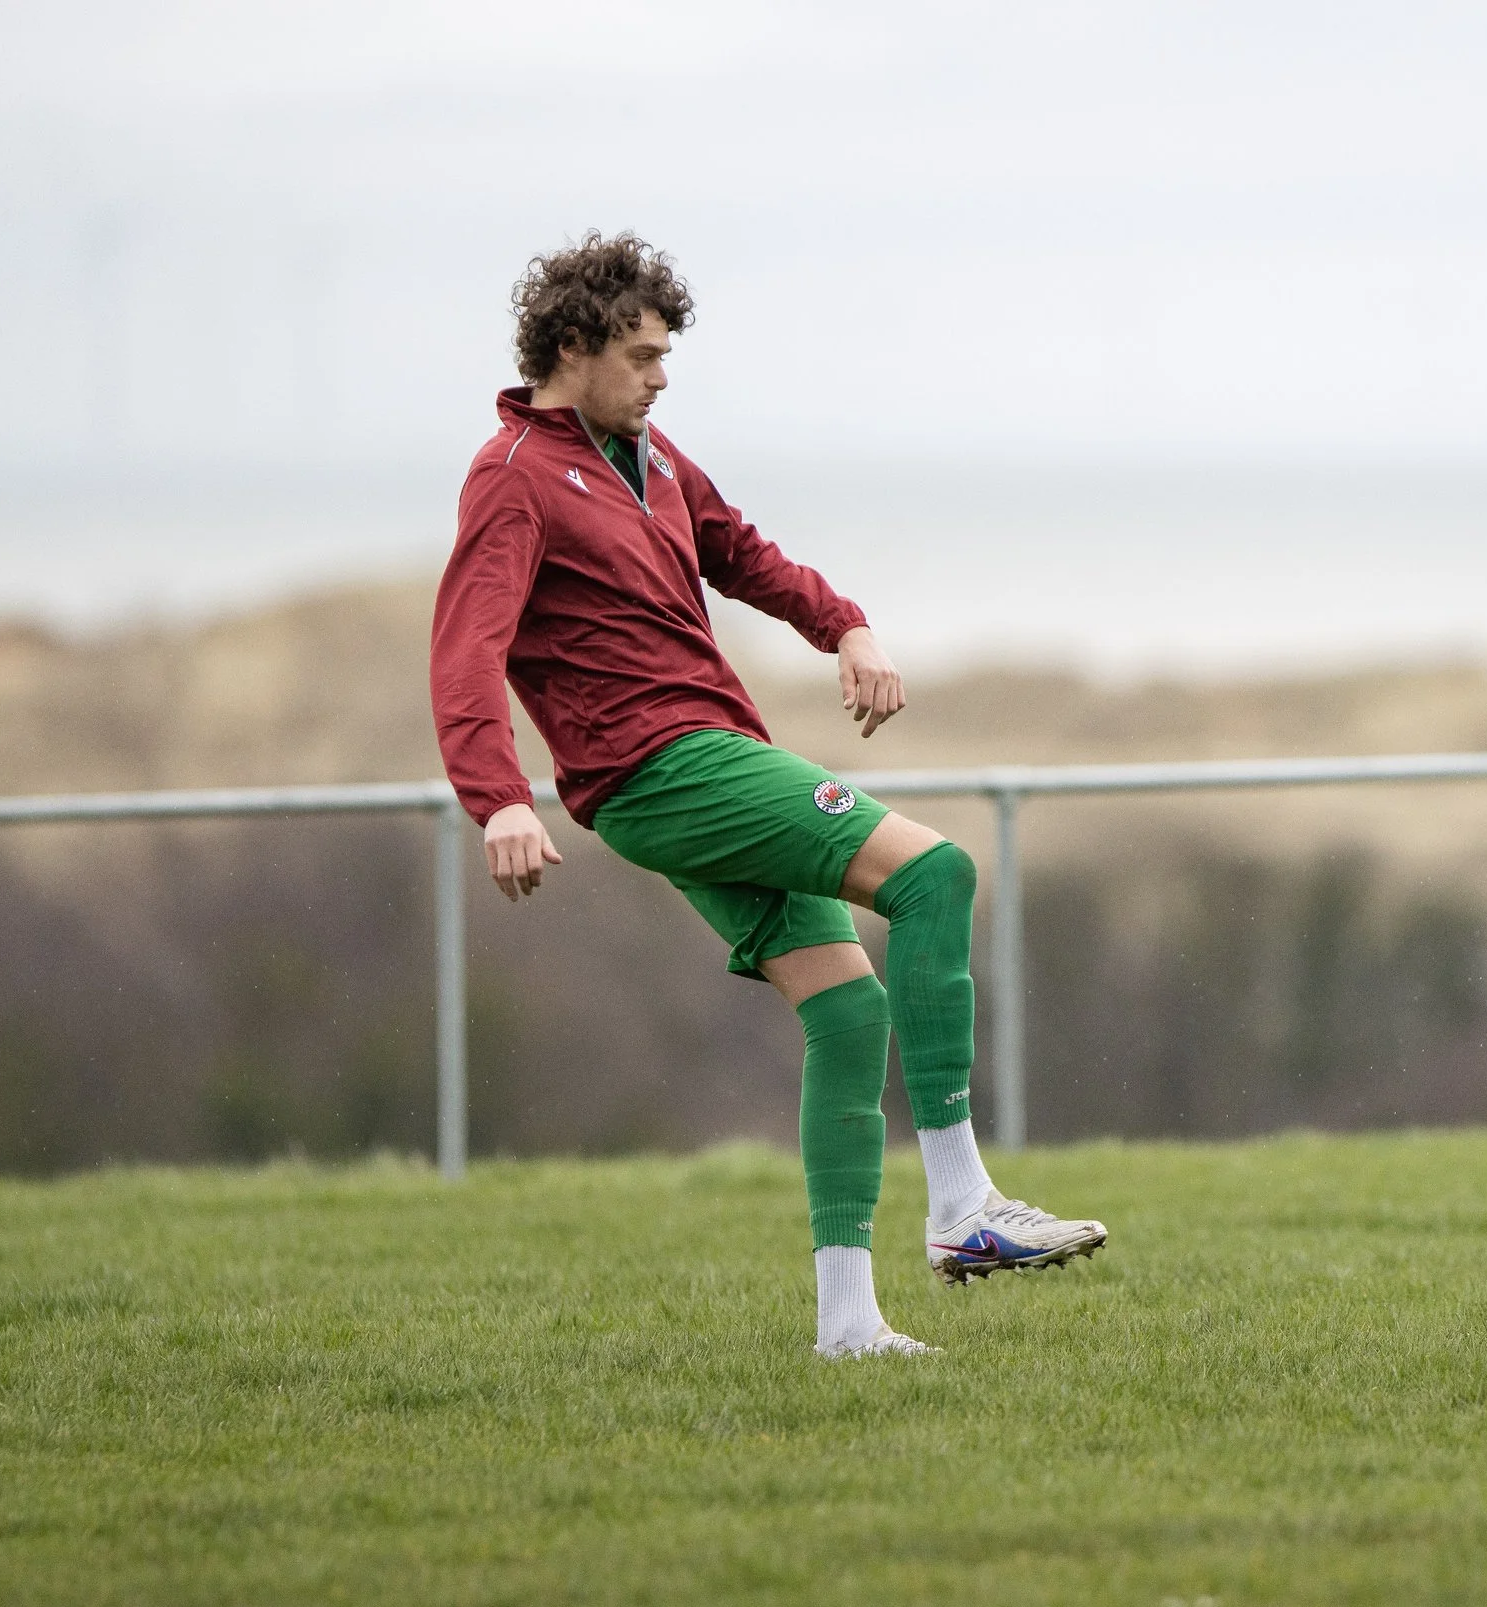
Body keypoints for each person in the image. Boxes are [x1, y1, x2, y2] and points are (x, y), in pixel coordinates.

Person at [429, 233, 1104, 1359]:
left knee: (847, 1013)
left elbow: (741, 553)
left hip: (697, 762)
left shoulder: (651, 456)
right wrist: (498, 797)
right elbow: (466, 649)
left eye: (665, 356)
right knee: (936, 875)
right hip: (666, 766)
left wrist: (845, 625)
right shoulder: (512, 479)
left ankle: (848, 1324)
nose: (661, 376)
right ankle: (962, 1205)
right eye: (642, 355)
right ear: (573, 345)